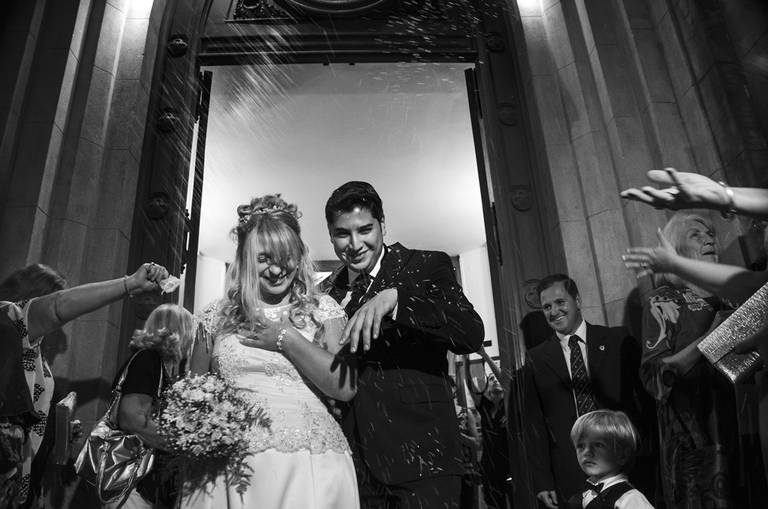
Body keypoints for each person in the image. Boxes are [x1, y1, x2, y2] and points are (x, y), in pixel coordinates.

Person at [183, 194, 359, 509]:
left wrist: (285, 337)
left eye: (286, 256)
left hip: (310, 461)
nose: (277, 269)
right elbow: (193, 397)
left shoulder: (323, 311)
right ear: (245, 258)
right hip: (231, 466)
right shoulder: (214, 317)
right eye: (264, 258)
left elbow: (345, 387)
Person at [320, 181, 484, 508]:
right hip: (351, 464)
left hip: (423, 457)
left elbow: (470, 332)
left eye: (365, 229)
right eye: (342, 234)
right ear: (330, 234)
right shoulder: (325, 293)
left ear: (383, 224)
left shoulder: (425, 265)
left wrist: (396, 300)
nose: (354, 244)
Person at [0, 262, 170, 508]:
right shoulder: (7, 318)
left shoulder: (34, 356)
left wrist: (59, 431)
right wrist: (129, 283)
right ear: (32, 298)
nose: (61, 335)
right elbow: (58, 307)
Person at [634, 212, 747, 508]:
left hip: (746, 433)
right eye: (696, 235)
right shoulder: (665, 302)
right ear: (677, 250)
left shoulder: (733, 295)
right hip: (699, 447)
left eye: (710, 234)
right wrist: (712, 337)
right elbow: (655, 379)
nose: (709, 239)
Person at [523, 274, 647, 508]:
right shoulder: (536, 359)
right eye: (546, 307)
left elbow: (643, 400)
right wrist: (542, 479)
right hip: (571, 472)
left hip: (623, 462)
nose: (554, 311)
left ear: (577, 300)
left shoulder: (616, 339)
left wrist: (642, 448)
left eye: (560, 302)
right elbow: (535, 424)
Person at [105, 304, 195, 509]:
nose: (192, 341)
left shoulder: (157, 364)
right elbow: (132, 419)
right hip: (129, 479)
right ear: (179, 331)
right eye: (190, 332)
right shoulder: (148, 360)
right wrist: (183, 444)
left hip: (139, 479)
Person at [565, 410, 654, 509]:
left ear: (622, 455)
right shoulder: (581, 495)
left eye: (598, 445)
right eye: (581, 446)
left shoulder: (629, 498)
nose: (587, 452)